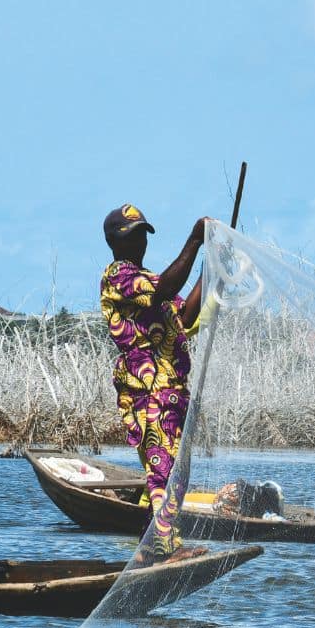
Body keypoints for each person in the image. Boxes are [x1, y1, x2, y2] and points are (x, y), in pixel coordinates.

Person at [100, 204, 214, 564]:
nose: (139, 243)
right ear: (115, 242)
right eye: (132, 236)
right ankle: (165, 547)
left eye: (142, 235)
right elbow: (165, 288)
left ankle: (151, 544)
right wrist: (195, 241)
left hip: (172, 392)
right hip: (147, 392)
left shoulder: (149, 280)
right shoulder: (119, 276)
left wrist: (211, 272)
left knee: (176, 471)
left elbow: (186, 313)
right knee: (163, 467)